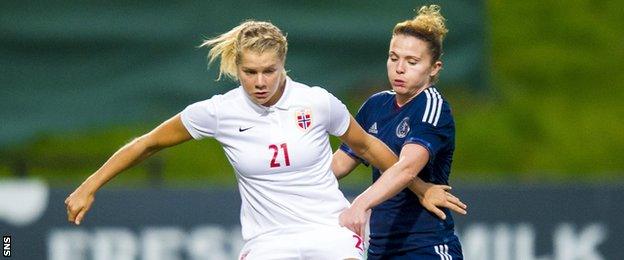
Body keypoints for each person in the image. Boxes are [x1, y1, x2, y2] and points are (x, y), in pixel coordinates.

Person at [64, 20, 464, 259]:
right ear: (236, 67)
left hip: (331, 229)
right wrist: (89, 184)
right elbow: (146, 143)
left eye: (269, 71)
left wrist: (420, 185)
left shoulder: (318, 102)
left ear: (283, 65)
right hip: (269, 239)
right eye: (250, 71)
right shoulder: (218, 112)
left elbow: (369, 149)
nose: (259, 82)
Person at [334, 5, 466, 259]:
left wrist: (359, 204)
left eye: (412, 61)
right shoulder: (375, 105)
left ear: (435, 67)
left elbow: (406, 169)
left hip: (425, 247)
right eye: (393, 58)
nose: (399, 68)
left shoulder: (431, 106)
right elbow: (340, 163)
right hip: (381, 249)